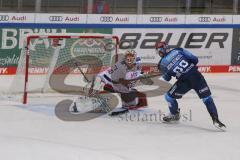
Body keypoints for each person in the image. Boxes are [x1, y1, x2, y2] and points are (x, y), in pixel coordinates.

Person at [156, 41, 226, 129]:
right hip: (196, 76)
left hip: (184, 82)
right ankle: (216, 120)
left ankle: (174, 114)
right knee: (207, 98)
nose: (159, 52)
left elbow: (167, 78)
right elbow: (195, 59)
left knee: (168, 97)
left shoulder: (161, 64)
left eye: (159, 50)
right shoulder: (178, 50)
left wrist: (164, 71)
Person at [96, 50, 148, 116]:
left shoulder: (137, 63)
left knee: (133, 100)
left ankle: (129, 102)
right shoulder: (119, 66)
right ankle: (100, 102)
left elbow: (137, 72)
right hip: (110, 84)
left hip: (124, 86)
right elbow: (104, 75)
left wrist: (142, 74)